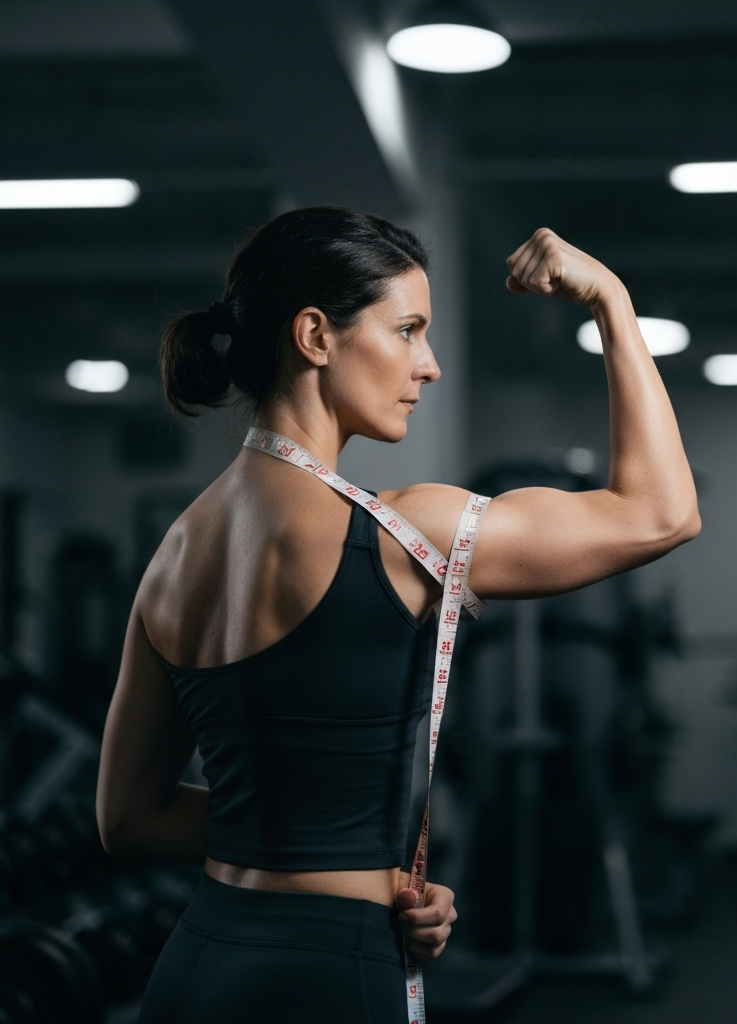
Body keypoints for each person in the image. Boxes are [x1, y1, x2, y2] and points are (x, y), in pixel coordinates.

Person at [96, 206, 700, 1023]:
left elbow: (129, 819)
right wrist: (612, 302)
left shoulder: (172, 557)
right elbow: (660, 514)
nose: (431, 365)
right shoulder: (406, 534)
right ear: (314, 336)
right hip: (328, 978)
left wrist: (330, 848)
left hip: (199, 962)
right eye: (409, 330)